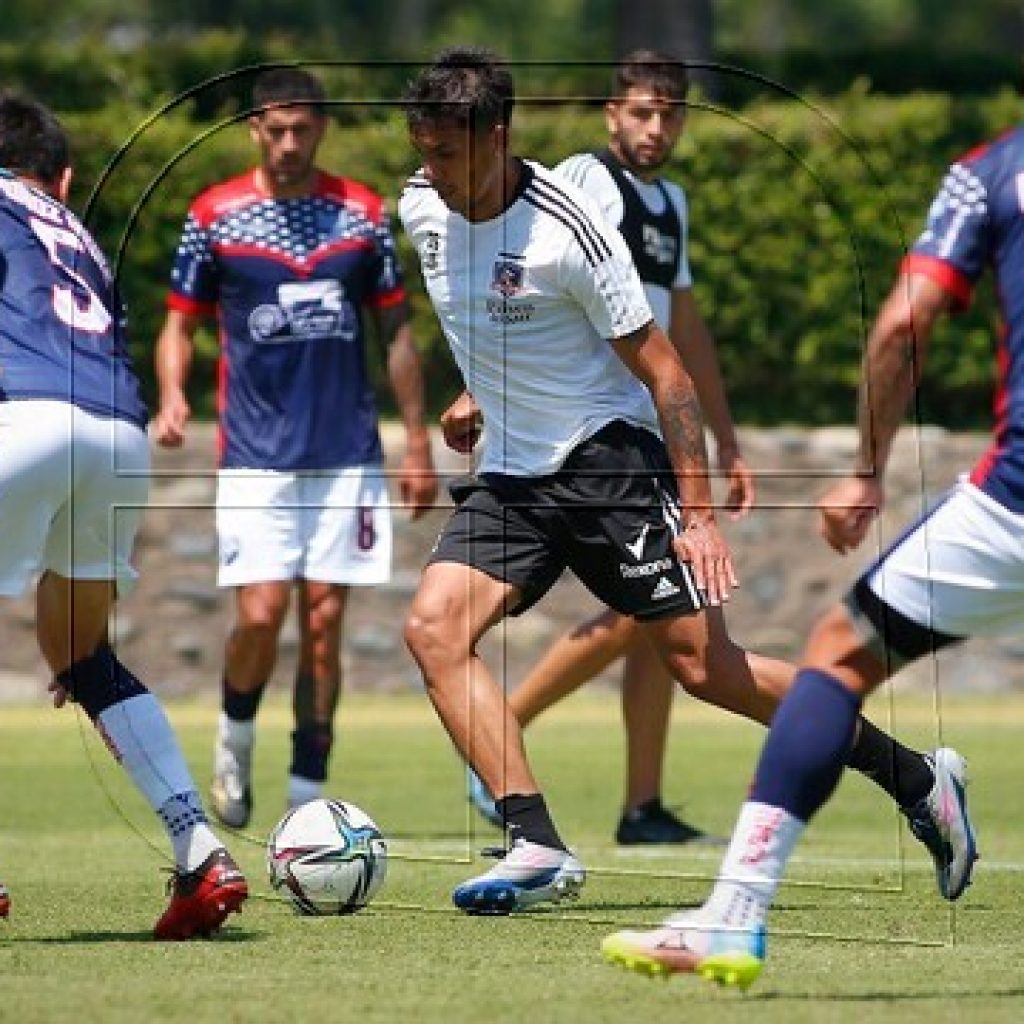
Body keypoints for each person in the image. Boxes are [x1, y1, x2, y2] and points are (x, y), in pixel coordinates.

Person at [398, 47, 970, 916]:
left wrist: (697, 518)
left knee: (709, 671)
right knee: (434, 630)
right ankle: (535, 843)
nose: (431, 171)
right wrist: (475, 389)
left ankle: (919, 778)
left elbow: (668, 375)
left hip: (609, 461)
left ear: (498, 138)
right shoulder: (419, 207)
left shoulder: (570, 229)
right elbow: (484, 309)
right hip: (513, 476)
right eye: (423, 149)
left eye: (448, 153)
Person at [600, 132, 1006, 990]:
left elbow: (903, 323)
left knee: (838, 657)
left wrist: (865, 470)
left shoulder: (992, 175)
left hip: (1013, 504)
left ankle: (736, 912)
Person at [468, 50, 750, 846]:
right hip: (587, 428)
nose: (655, 127)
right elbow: (509, 274)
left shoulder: (672, 203)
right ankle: (498, 731)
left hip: (649, 426)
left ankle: (642, 805)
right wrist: (476, 385)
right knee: (647, 613)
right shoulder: (585, 180)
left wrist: (727, 441)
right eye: (641, 110)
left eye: (670, 113)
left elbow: (683, 327)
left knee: (665, 623)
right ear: (610, 112)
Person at [153, 68, 438, 828]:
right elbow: (178, 324)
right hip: (254, 456)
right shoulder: (214, 216)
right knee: (260, 613)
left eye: (301, 129)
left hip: (346, 455)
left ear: (321, 130)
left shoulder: (363, 215)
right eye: (274, 130)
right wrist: (175, 395)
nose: (288, 143)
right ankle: (234, 736)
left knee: (322, 623)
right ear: (254, 129)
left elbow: (397, 332)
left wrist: (417, 440)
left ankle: (308, 803)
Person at [0, 91, 247, 938]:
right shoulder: (80, 236)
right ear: (62, 178)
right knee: (81, 650)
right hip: (116, 430)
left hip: (24, 416)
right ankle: (199, 847)